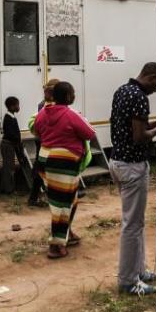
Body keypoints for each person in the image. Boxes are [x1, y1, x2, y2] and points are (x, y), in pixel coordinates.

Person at [108, 63, 156, 296]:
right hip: (133, 165)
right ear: (152, 77)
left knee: (136, 222)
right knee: (132, 225)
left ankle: (139, 270)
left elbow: (131, 128)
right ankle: (128, 280)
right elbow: (139, 137)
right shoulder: (140, 97)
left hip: (118, 161)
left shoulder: (122, 90)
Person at [33, 81, 96, 259]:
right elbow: (90, 133)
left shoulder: (42, 113)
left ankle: (66, 234)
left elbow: (37, 130)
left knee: (70, 201)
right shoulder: (71, 114)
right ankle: (56, 245)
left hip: (46, 161)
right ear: (67, 96)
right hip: (65, 164)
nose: (75, 95)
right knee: (61, 205)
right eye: (73, 93)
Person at [27, 79, 60, 207]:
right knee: (47, 170)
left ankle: (34, 198)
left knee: (40, 168)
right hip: (47, 141)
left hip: (42, 140)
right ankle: (48, 197)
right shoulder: (48, 105)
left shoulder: (43, 103)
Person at [0, 96, 25, 194]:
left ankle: (5, 188)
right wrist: (18, 141)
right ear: (11, 106)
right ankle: (9, 189)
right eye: (17, 105)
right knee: (8, 168)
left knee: (8, 167)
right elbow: (11, 134)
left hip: (9, 145)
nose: (18, 107)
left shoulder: (11, 117)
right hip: (7, 145)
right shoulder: (9, 118)